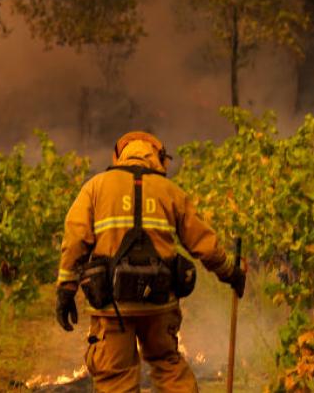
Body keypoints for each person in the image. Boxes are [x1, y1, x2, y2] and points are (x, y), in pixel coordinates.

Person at [55, 131, 246, 392]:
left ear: (120, 154)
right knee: (168, 366)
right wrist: (230, 273)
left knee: (115, 377)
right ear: (158, 157)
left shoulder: (95, 187)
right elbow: (204, 243)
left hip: (113, 308)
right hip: (160, 304)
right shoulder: (171, 192)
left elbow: (75, 240)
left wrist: (66, 289)